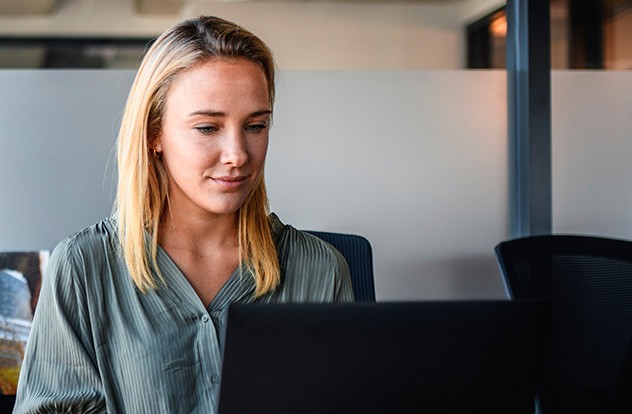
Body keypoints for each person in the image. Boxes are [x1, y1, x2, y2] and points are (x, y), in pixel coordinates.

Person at [14, 15, 353, 414]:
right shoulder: (84, 267)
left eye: (256, 126)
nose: (238, 155)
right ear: (155, 132)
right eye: (208, 128)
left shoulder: (320, 269)